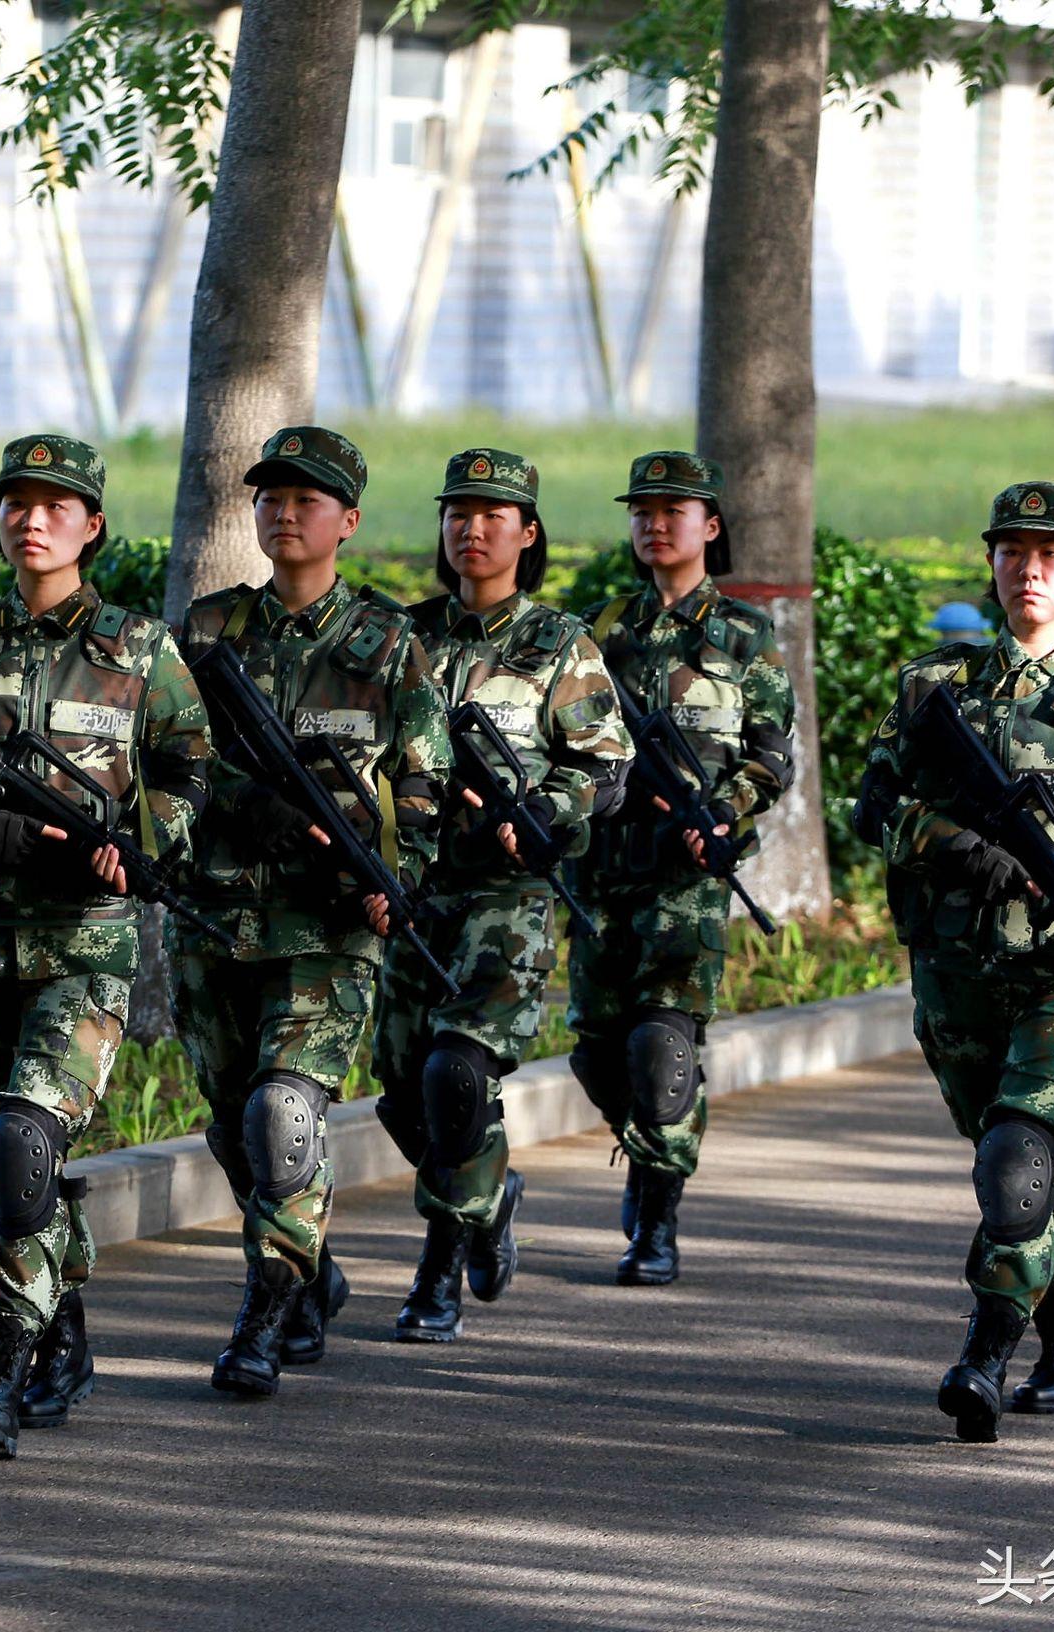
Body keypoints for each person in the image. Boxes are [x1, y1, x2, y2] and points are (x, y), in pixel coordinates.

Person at [855, 481, 1054, 1443]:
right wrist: (962, 847)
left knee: (1015, 1163)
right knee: (1013, 1173)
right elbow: (875, 807)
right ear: (991, 562)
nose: (1028, 570)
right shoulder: (934, 685)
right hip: (956, 969)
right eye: (1012, 552)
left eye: (1050, 555)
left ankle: (984, 1356)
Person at [0, 434, 211, 1459]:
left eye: (56, 505)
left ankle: (1, 1369)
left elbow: (188, 766)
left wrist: (144, 845)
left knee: (23, 1142)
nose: (32, 519)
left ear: (91, 525)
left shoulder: (138, 648)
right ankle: (66, 1339)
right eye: (17, 501)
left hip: (84, 945)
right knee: (20, 1169)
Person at [175, 425, 453, 1397]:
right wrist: (238, 802)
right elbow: (163, 755)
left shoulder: (387, 644)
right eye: (270, 497)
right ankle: (309, 1266)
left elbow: (423, 780)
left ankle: (263, 1314)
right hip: (215, 915)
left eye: (306, 499)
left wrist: (394, 874)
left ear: (349, 520)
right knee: (232, 1126)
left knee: (283, 1112)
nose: (284, 513)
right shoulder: (208, 631)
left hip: (327, 925)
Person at [371, 448, 629, 1342]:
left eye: (492, 516)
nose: (471, 530)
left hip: (503, 902)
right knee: (401, 1093)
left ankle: (437, 1274)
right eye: (457, 514)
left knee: (455, 1074)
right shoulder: (401, 637)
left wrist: (543, 813)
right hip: (411, 894)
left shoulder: (558, 644)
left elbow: (605, 764)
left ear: (527, 533)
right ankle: (488, 1199)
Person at [567, 452, 795, 1286]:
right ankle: (644, 1149)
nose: (655, 525)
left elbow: (771, 755)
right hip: (601, 872)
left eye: (673, 512)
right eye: (642, 512)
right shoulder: (594, 631)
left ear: (710, 526)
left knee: (661, 1047)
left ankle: (656, 1223)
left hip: (685, 880)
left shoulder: (742, 635)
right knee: (598, 1052)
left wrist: (723, 812)